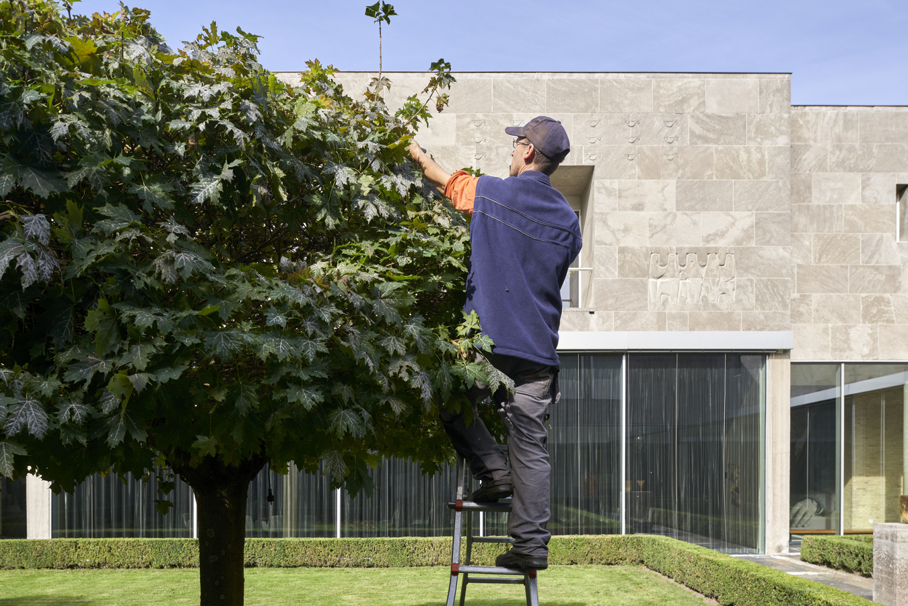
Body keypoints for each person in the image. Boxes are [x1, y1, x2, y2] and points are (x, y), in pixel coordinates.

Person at [408, 116, 581, 571]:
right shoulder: (569, 222)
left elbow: (442, 180)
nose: (510, 152)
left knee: (451, 401)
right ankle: (530, 548)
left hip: (490, 347)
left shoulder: (491, 193)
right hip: (538, 354)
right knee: (531, 448)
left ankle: (493, 472)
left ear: (527, 151)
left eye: (515, 143)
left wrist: (416, 154)